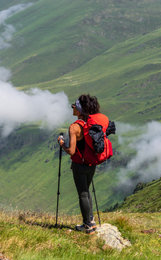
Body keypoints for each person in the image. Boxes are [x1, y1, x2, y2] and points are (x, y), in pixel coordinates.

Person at [57, 94, 109, 234]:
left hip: (79, 164)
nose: (72, 107)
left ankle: (88, 225)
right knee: (86, 191)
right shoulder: (92, 124)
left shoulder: (74, 127)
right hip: (92, 163)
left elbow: (72, 151)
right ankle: (90, 221)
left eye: (74, 106)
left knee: (83, 193)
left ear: (79, 110)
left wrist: (62, 144)